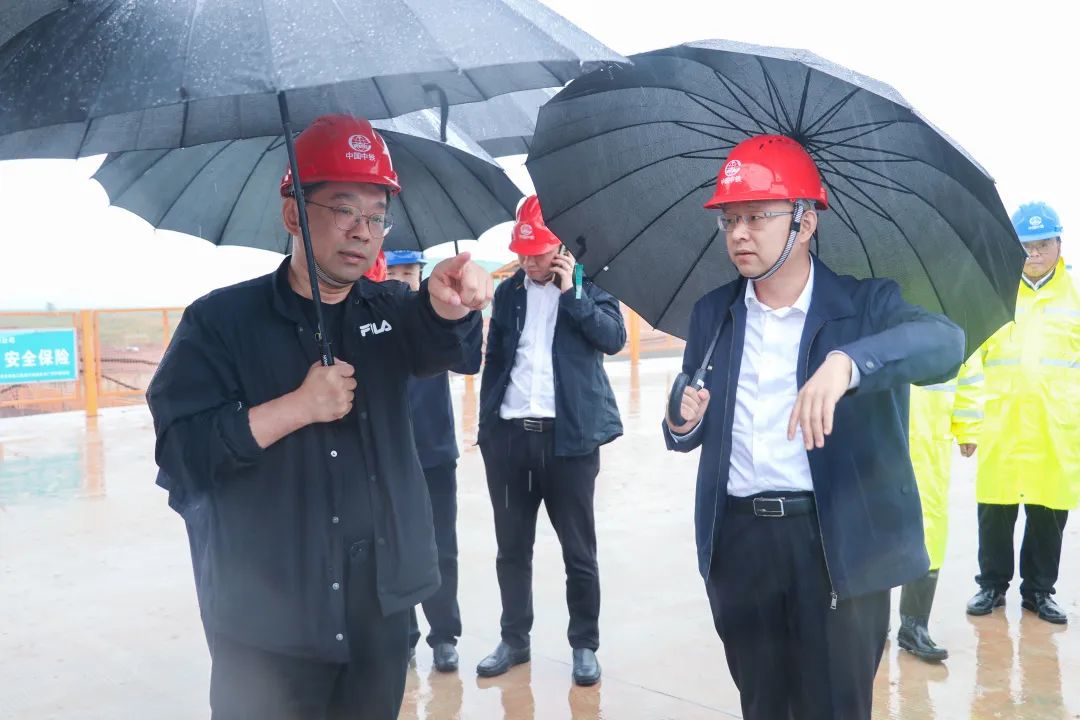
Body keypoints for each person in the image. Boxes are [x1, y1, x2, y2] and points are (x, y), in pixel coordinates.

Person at [147, 114, 492, 719]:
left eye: (377, 215)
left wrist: (451, 308)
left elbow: (452, 351)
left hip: (379, 605)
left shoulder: (392, 307)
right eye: (343, 209)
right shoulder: (220, 322)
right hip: (267, 616)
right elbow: (182, 454)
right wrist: (295, 408)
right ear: (293, 214)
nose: (363, 231)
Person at [663, 135, 964, 719]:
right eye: (729, 219)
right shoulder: (714, 314)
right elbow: (689, 426)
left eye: (756, 217)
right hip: (741, 544)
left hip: (835, 545)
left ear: (805, 222)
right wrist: (681, 420)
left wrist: (849, 363)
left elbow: (945, 343)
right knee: (762, 704)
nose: (739, 234)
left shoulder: (865, 307)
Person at [475, 195, 626, 686]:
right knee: (511, 549)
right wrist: (488, 429)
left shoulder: (590, 283)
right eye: (522, 253)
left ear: (559, 247)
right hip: (511, 440)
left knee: (578, 552)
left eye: (537, 253)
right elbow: (496, 360)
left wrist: (573, 293)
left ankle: (584, 645)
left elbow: (613, 339)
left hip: (569, 443)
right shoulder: (509, 293)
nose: (528, 262)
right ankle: (514, 639)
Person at [958, 201, 1079, 625]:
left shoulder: (1075, 298)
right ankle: (992, 585)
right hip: (1001, 423)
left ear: (1059, 244)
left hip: (1055, 426)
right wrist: (967, 425)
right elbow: (970, 363)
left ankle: (1039, 591)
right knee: (995, 506)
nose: (1034, 253)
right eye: (1025, 245)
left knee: (1049, 510)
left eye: (1043, 244)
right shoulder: (993, 294)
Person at [383, 249, 482, 672]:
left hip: (435, 451)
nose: (403, 279)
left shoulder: (436, 315)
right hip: (388, 456)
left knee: (441, 547)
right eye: (394, 271)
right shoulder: (372, 319)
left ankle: (444, 635)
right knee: (393, 548)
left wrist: (463, 310)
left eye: (410, 272)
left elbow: (469, 360)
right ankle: (403, 636)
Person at [898, 381, 960, 662]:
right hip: (884, 440)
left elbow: (969, 371)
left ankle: (915, 626)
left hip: (931, 442)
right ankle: (872, 625)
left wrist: (968, 428)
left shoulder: (950, 343)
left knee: (930, 531)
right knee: (875, 532)